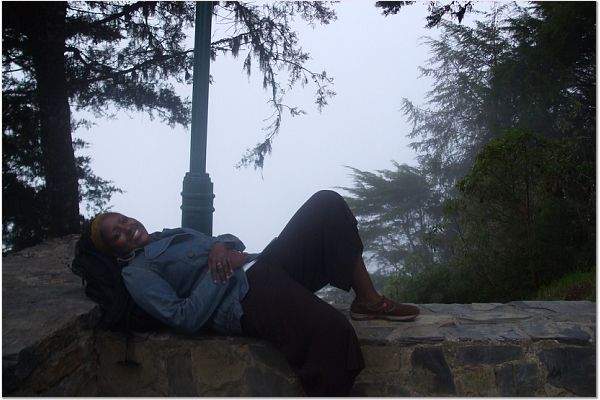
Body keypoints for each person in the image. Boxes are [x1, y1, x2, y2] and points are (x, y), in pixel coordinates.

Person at [83, 190, 419, 396]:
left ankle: (367, 300)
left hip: (261, 266)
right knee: (332, 331)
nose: (127, 227)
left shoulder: (168, 235)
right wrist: (220, 271)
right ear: (114, 251)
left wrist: (220, 247)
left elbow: (227, 241)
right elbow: (182, 317)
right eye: (117, 234)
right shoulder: (137, 272)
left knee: (326, 204)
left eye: (123, 220)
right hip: (242, 297)